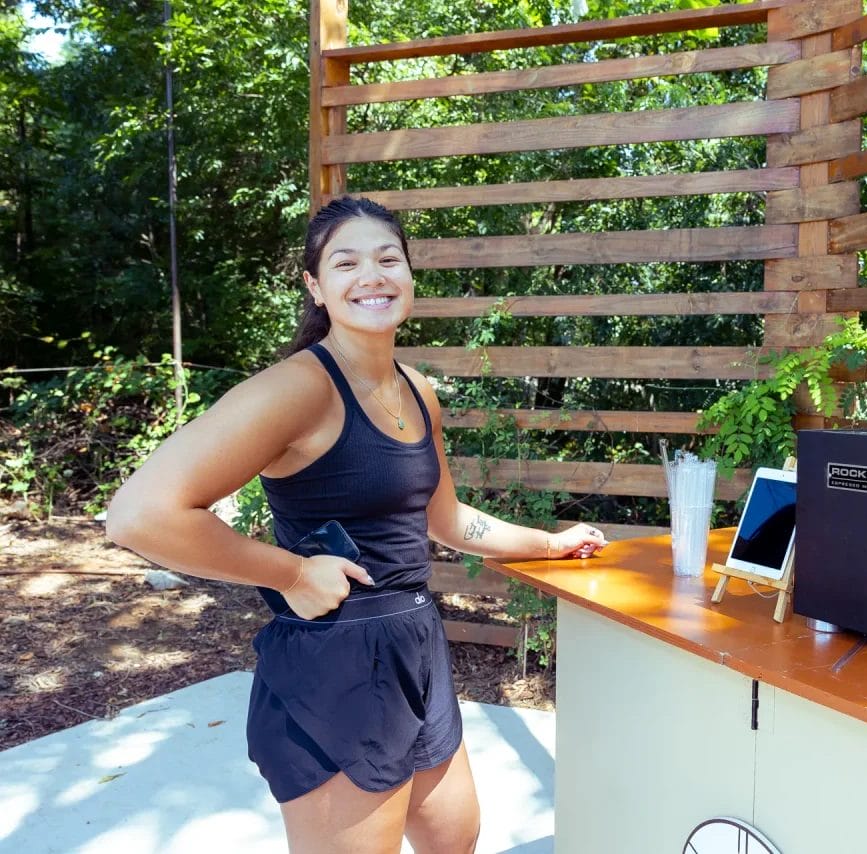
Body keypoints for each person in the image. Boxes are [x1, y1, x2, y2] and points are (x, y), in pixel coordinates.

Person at [106, 196, 608, 853]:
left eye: (387, 258)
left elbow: (448, 519)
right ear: (316, 286)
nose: (371, 275)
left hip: (415, 646)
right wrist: (288, 573)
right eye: (346, 262)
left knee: (454, 837)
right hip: (336, 663)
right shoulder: (298, 389)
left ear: (409, 275)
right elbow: (138, 515)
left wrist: (551, 544)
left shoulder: (415, 389)